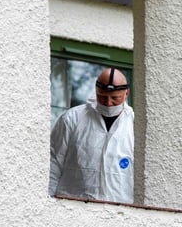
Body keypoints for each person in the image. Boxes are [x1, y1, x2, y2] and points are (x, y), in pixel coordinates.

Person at [49, 67, 135, 203]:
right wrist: (49, 202)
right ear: (95, 91)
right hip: (72, 209)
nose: (108, 102)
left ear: (126, 94)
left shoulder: (135, 126)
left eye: (115, 98)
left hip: (121, 213)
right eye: (102, 96)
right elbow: (53, 164)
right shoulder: (72, 119)